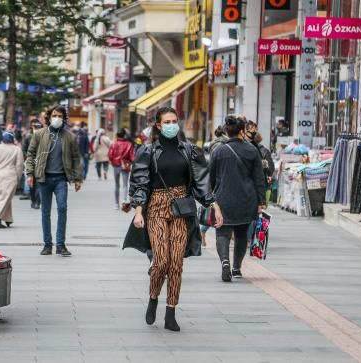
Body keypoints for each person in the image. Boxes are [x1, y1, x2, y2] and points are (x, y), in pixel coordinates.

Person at [125, 106, 223, 332]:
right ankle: (153, 297)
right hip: (157, 207)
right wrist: (139, 212)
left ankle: (171, 311)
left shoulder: (190, 151)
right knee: (160, 261)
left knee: (177, 262)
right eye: (167, 122)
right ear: (158, 126)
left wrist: (214, 205)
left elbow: (201, 182)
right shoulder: (147, 152)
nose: (171, 125)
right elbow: (139, 183)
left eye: (174, 121)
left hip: (181, 208)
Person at [209, 115, 268, 282]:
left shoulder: (218, 151)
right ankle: (236, 268)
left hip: (223, 199)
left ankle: (225, 263)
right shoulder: (252, 150)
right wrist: (261, 201)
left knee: (222, 232)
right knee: (242, 234)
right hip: (246, 199)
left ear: (227, 132)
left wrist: (212, 199)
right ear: (242, 131)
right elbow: (259, 178)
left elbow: (211, 178)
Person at [25, 106, 83, 257]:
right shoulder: (39, 134)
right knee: (45, 212)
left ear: (64, 118)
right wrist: (30, 174)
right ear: (49, 117)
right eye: (54, 115)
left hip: (61, 179)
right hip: (44, 179)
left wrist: (77, 178)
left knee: (62, 209)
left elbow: (76, 158)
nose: (57, 118)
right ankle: (47, 245)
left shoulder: (69, 137)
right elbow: (30, 154)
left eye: (60, 116)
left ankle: (61, 245)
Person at [108, 128, 134, 209]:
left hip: (116, 165)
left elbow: (110, 155)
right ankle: (124, 200)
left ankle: (116, 204)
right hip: (125, 165)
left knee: (117, 185)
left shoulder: (114, 144)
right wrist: (131, 163)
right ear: (124, 135)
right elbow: (132, 156)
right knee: (125, 184)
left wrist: (113, 162)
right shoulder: (129, 144)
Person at [22, 118, 43, 209]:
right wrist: (26, 158)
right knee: (31, 183)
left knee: (39, 183)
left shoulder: (44, 137)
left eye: (38, 127)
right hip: (30, 162)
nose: (37, 128)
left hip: (41, 163)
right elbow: (24, 149)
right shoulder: (28, 136)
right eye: (35, 127)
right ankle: (33, 199)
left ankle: (38, 202)